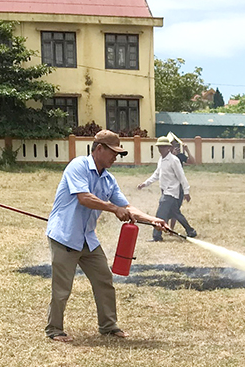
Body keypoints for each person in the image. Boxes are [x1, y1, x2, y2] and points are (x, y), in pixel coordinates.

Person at [45, 129, 167, 342]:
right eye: (113, 152)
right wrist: (112, 208)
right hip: (65, 236)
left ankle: (108, 326)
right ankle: (54, 330)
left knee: (104, 280)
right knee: (62, 287)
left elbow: (127, 207)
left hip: (87, 239)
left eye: (118, 153)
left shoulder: (109, 180)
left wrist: (152, 220)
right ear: (99, 149)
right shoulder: (78, 166)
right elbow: (84, 198)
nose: (115, 157)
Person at [138, 136, 197, 241]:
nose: (161, 149)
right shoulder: (161, 160)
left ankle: (157, 236)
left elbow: (181, 176)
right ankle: (191, 231)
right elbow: (156, 174)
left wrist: (186, 191)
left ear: (168, 148)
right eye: (159, 147)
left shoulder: (174, 160)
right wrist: (145, 184)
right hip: (165, 191)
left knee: (160, 214)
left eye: (163, 147)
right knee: (176, 213)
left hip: (171, 192)